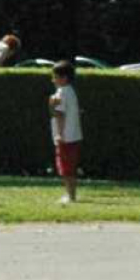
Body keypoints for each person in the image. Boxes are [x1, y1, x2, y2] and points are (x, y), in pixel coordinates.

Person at [47, 60, 85, 205]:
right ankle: (71, 194)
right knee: (69, 166)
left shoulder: (61, 93)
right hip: (73, 135)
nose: (53, 80)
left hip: (66, 137)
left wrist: (60, 134)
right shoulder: (70, 91)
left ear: (64, 78)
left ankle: (71, 196)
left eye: (55, 77)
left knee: (66, 167)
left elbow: (59, 114)